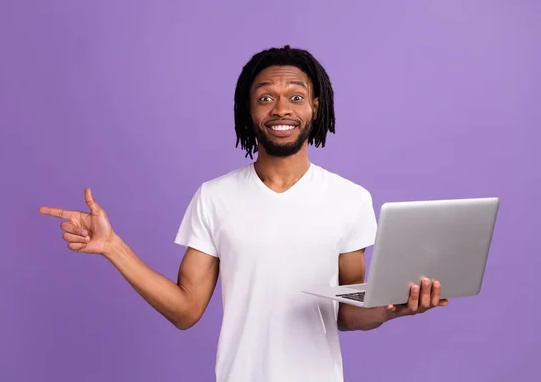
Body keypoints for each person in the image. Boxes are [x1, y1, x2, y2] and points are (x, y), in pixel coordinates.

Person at [39, 45, 448, 382]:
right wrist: (113, 247)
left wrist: (395, 307)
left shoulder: (350, 199)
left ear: (316, 108)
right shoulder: (215, 197)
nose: (281, 108)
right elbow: (185, 311)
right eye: (266, 97)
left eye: (296, 96)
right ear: (249, 111)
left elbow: (349, 313)